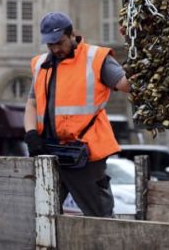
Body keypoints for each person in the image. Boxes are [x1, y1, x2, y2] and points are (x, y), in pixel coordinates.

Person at [23, 11, 133, 218]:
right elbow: (32, 104)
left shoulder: (96, 58)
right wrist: (31, 134)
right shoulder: (40, 64)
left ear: (72, 35)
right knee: (40, 215)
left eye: (59, 42)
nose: (55, 49)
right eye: (50, 45)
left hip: (86, 154)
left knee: (99, 216)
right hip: (49, 152)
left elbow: (125, 84)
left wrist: (139, 57)